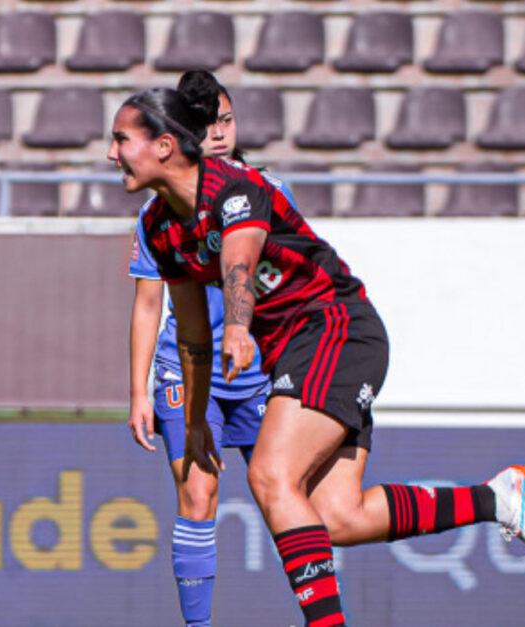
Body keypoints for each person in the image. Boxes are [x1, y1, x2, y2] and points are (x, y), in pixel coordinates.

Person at [110, 77, 525, 627]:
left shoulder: (237, 189)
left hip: (333, 328)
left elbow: (240, 262)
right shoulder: (160, 227)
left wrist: (238, 323)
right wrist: (200, 418)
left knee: (272, 478)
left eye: (120, 140)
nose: (111, 154)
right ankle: (497, 499)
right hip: (300, 350)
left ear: (162, 146)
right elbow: (190, 335)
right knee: (336, 517)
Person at [127, 70, 296, 627]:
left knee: (292, 505)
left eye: (227, 120)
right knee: (197, 497)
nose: (219, 133)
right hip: (189, 370)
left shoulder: (265, 192)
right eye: (207, 123)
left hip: (258, 373)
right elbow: (149, 305)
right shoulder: (161, 213)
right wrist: (137, 393)